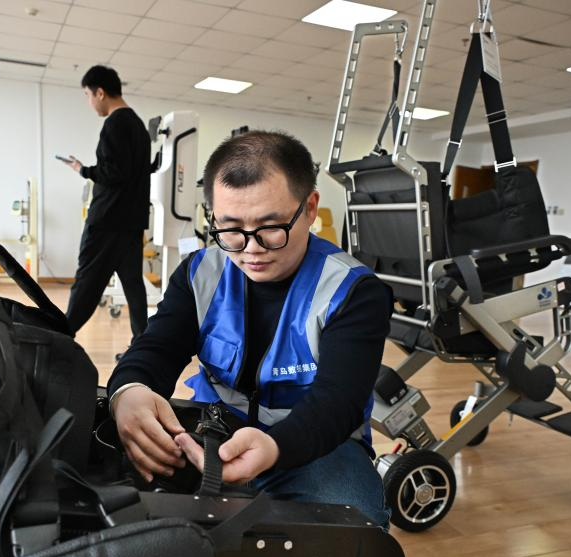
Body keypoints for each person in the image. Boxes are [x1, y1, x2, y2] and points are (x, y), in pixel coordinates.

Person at [107, 130, 391, 527]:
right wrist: (129, 390)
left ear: (310, 208)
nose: (250, 248)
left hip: (315, 443)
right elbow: (156, 347)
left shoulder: (352, 291)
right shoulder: (199, 273)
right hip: (214, 426)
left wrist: (275, 447)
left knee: (356, 526)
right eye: (230, 229)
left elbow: (337, 402)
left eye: (271, 227)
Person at [63, 65, 151, 341]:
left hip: (107, 222)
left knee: (87, 283)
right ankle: (143, 345)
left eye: (88, 96)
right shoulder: (138, 126)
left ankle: (62, 337)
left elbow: (114, 173)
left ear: (100, 92)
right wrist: (87, 169)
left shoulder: (115, 124)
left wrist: (85, 171)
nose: (90, 103)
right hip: (131, 223)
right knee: (134, 289)